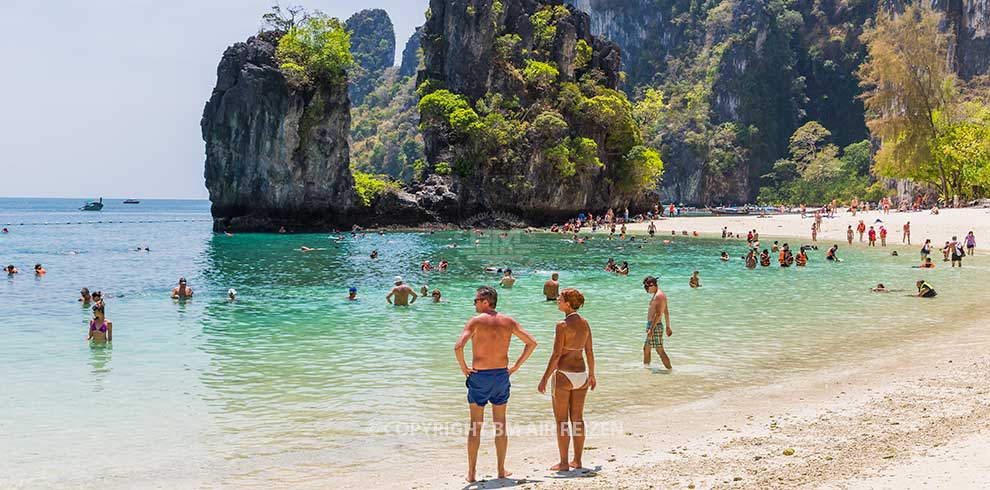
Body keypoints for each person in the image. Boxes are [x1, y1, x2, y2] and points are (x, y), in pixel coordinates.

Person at [455, 286, 538, 483]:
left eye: (476, 300)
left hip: (480, 377)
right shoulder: (508, 321)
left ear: (486, 301)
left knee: (475, 426)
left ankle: (471, 473)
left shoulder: (476, 321)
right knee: (500, 424)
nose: (474, 304)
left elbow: (458, 347)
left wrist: (464, 368)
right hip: (501, 375)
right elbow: (531, 343)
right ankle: (501, 470)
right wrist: (515, 366)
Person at [538, 288, 596, 472]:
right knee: (577, 419)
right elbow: (589, 351)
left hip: (564, 374)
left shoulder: (561, 325)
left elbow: (556, 354)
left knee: (562, 421)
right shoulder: (585, 323)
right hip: (581, 374)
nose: (558, 300)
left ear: (568, 304)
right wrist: (592, 374)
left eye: (561, 299)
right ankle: (577, 460)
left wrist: (545, 378)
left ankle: (563, 463)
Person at [642, 276, 672, 369]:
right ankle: (646, 369)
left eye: (646, 287)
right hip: (654, 326)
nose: (646, 289)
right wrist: (668, 326)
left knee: (660, 350)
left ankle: (670, 369)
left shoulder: (659, 296)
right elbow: (666, 312)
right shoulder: (659, 294)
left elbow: (658, 314)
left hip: (655, 326)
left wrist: (651, 329)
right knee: (646, 349)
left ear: (652, 285)